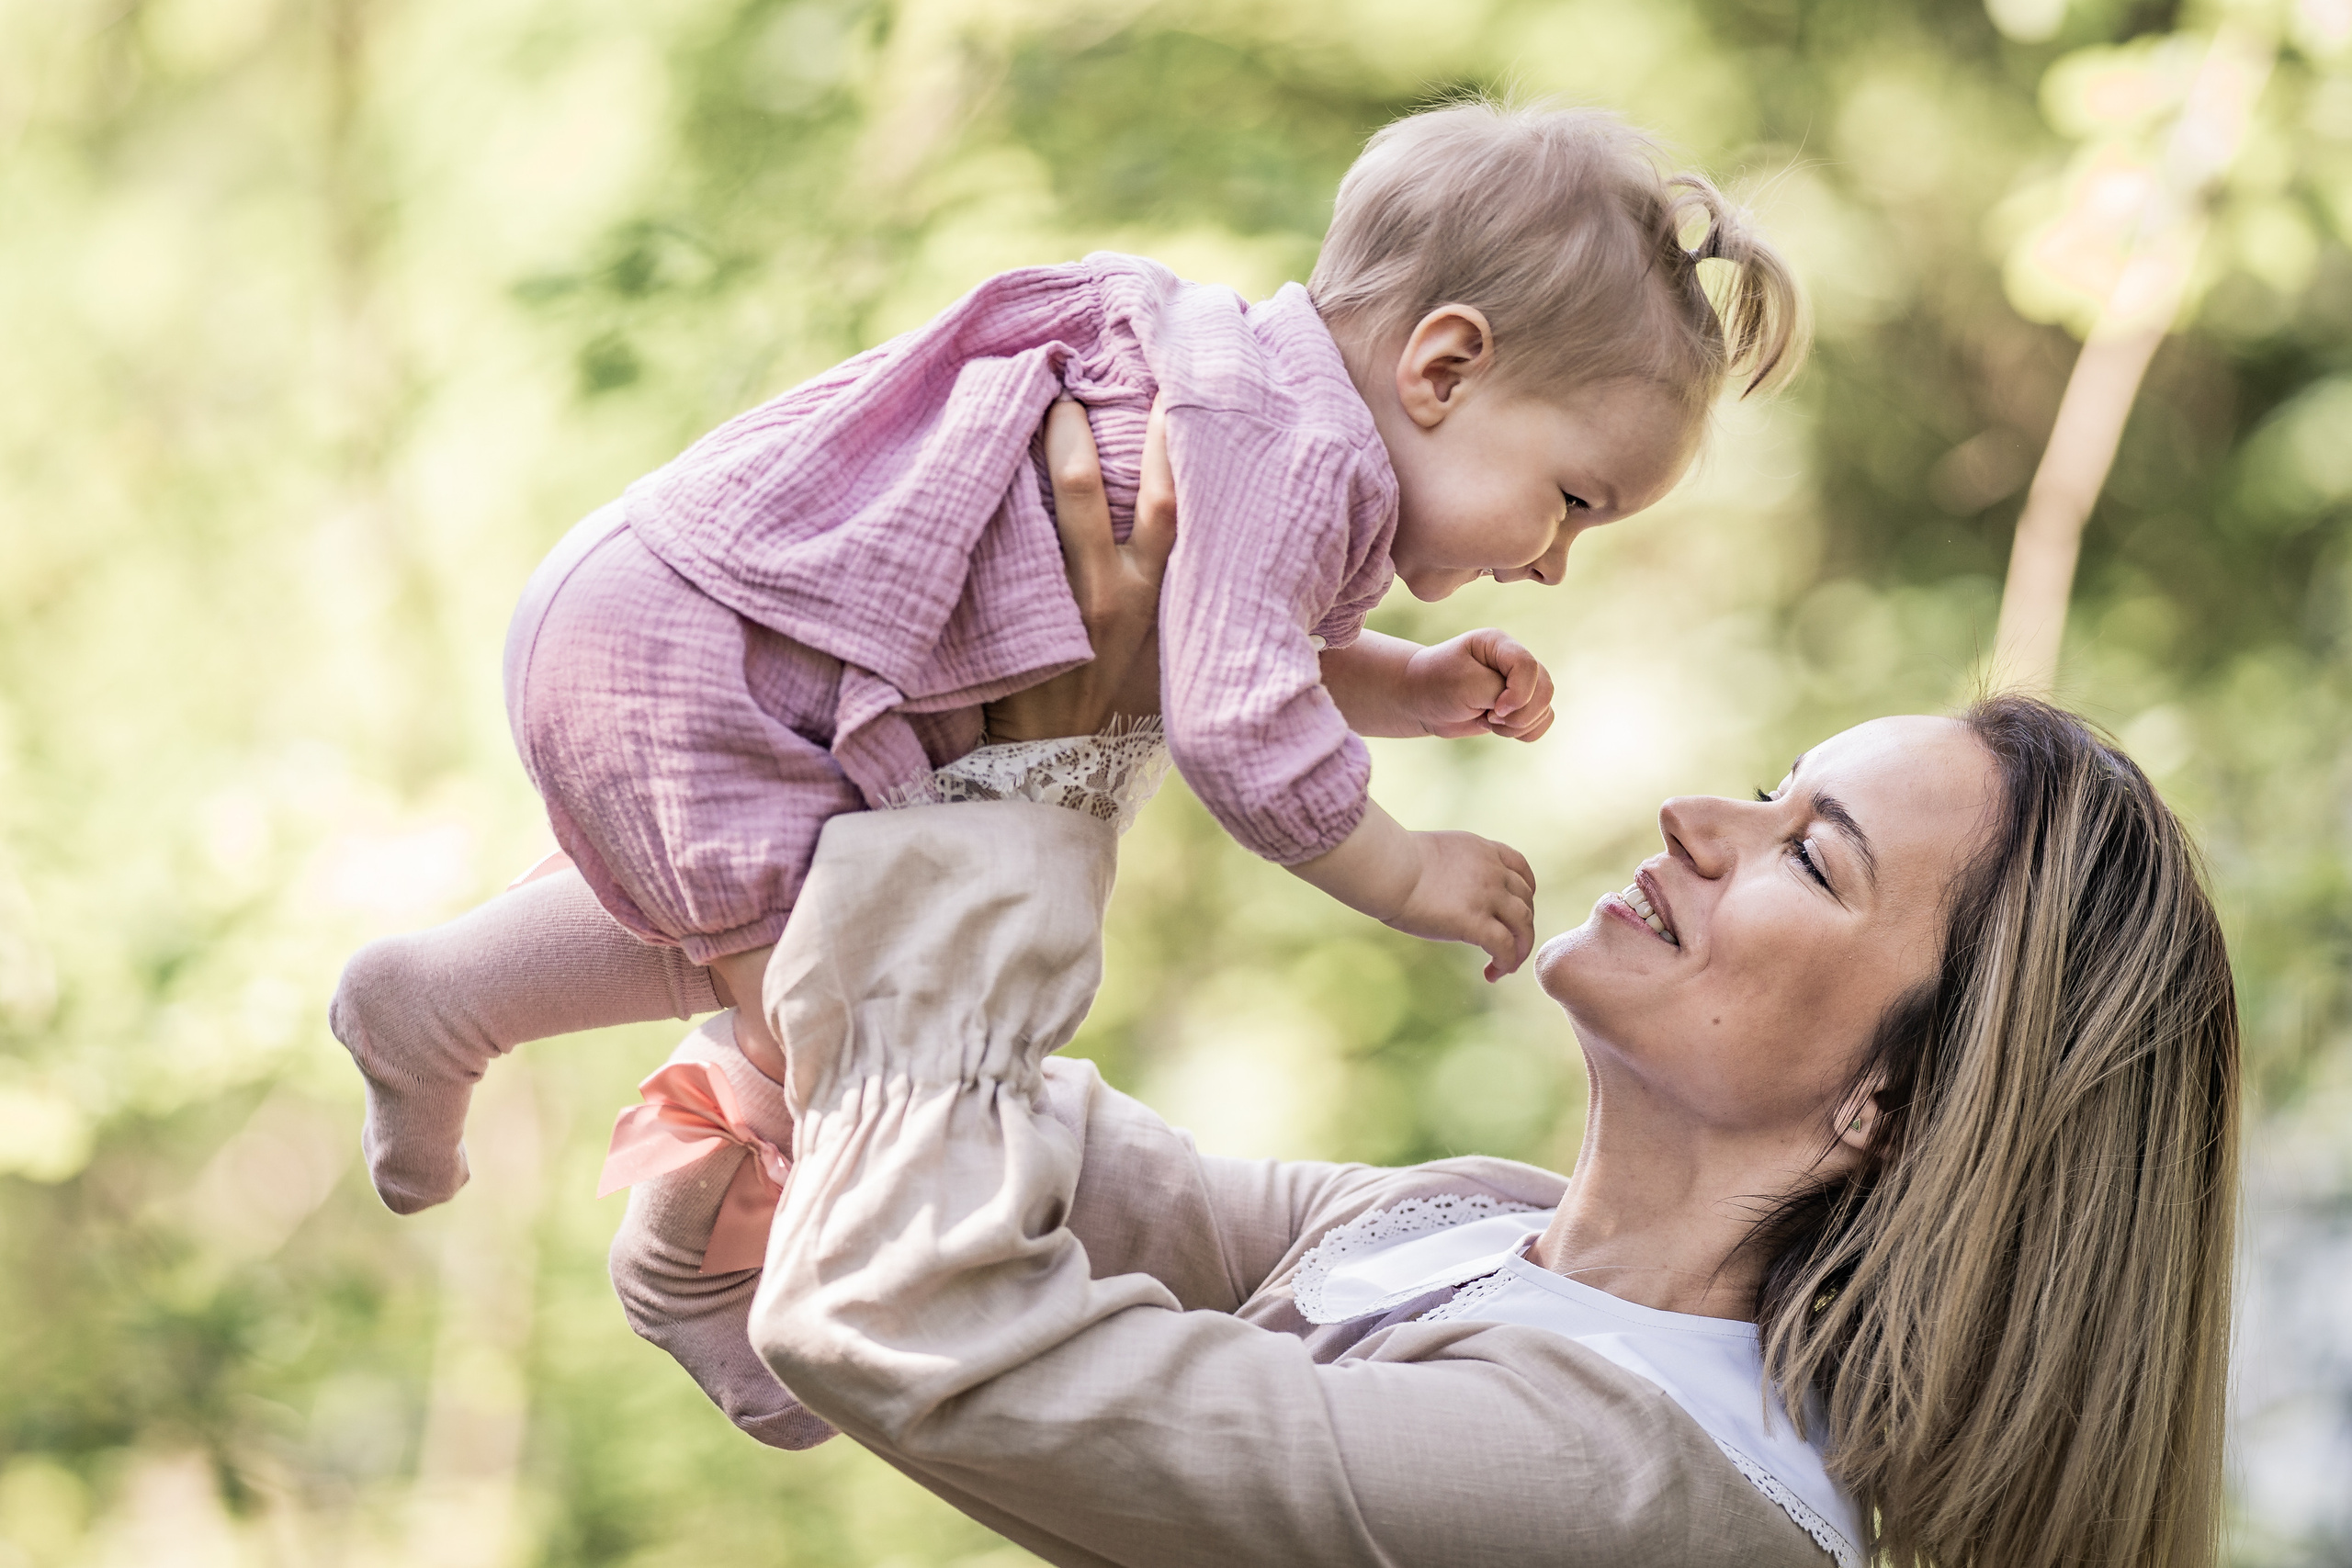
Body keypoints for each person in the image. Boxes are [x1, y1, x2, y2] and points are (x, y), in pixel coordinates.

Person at [612, 431, 2241, 1568]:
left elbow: (920, 1325)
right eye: (1767, 788)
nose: (1697, 818)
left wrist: (1054, 773)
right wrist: (771, 1067)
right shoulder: (1473, 1227)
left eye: (1811, 862)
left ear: (1899, 1099)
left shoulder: (1638, 1502)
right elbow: (1045, 1162)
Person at [326, 96, 1807, 1218]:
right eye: (1572, 502)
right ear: (1444, 366)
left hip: (669, 608)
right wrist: (1405, 869)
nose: (1554, 561)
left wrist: (1407, 687)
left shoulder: (1265, 415)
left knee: (810, 960)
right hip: (715, 644)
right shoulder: (1283, 446)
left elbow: (1207, 641)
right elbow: (1235, 727)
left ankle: (451, 1002)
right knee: (867, 1011)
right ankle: (764, 1277)